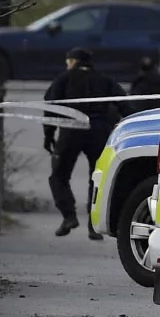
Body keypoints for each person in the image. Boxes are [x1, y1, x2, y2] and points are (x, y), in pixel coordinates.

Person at [44, 47, 125, 238]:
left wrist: (48, 135)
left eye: (68, 61)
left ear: (73, 61)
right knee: (96, 178)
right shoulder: (105, 79)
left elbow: (51, 107)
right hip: (98, 132)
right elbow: (124, 104)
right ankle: (93, 225)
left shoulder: (64, 79)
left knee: (59, 175)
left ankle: (68, 216)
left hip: (71, 131)